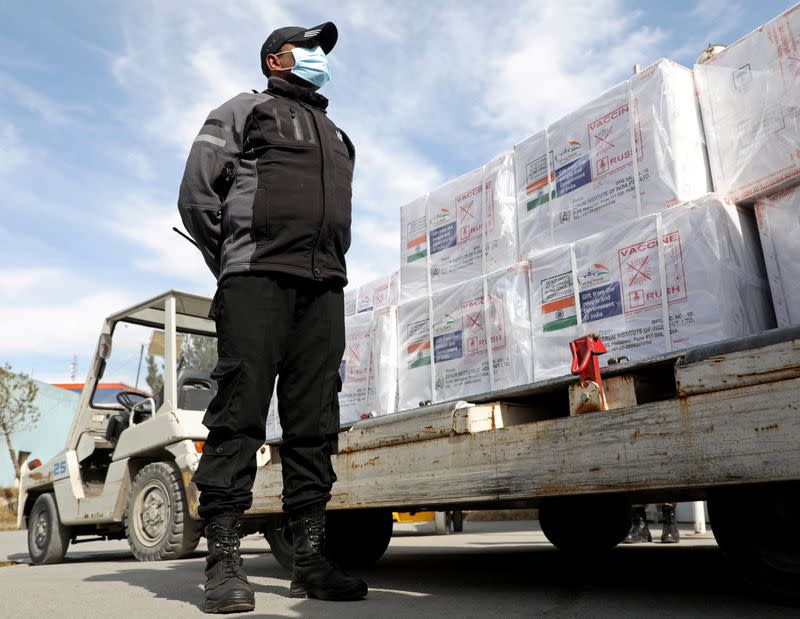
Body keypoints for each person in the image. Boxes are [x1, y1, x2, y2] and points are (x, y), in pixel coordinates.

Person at [177, 21, 366, 613]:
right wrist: (234, 264)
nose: (317, 58)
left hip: (323, 288)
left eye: (321, 51)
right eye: (308, 49)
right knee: (239, 416)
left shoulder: (339, 136)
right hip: (255, 280)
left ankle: (310, 559)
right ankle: (224, 560)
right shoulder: (242, 110)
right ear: (276, 60)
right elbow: (197, 194)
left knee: (315, 424)